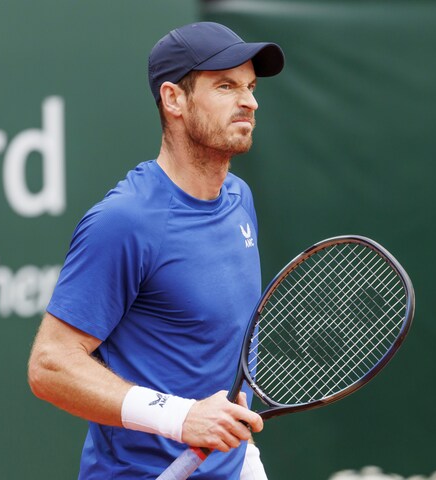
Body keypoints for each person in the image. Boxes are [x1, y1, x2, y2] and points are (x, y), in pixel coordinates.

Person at [27, 21, 285, 479]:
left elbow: (219, 355)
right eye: (226, 86)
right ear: (173, 100)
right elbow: (50, 366)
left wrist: (243, 462)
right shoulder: (125, 222)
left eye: (250, 86)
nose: (249, 101)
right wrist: (179, 417)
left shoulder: (239, 198)